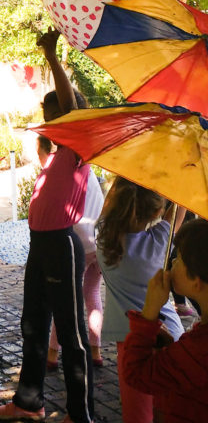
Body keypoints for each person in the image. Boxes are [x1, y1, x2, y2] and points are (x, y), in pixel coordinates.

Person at [0, 28, 94, 423]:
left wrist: (51, 57)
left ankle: (80, 415)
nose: (49, 121)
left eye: (54, 116)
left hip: (61, 246)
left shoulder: (79, 147)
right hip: (40, 245)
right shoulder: (54, 156)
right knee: (33, 325)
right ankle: (28, 403)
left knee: (71, 334)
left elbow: (70, 109)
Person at [96, 177, 184, 423]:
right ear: (156, 211)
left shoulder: (103, 240)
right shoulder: (159, 245)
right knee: (167, 410)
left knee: (138, 414)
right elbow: (175, 213)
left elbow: (109, 208)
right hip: (167, 334)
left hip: (130, 340)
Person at [122, 218, 208, 422]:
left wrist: (150, 310)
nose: (173, 263)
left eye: (178, 259)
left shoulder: (197, 349)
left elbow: (136, 373)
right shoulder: (194, 347)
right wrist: (174, 351)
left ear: (196, 281)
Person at [47, 164, 105, 369]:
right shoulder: (93, 177)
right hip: (99, 243)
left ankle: (52, 353)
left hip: (77, 245)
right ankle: (96, 351)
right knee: (92, 293)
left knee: (65, 298)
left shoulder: (68, 175)